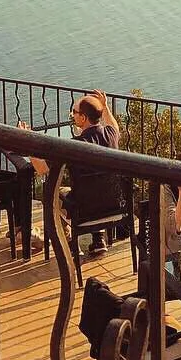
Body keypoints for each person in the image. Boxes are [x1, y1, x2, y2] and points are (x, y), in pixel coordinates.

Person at [26, 89, 121, 255]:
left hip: (83, 210)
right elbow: (114, 126)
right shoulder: (111, 135)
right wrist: (105, 107)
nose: (72, 115)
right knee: (94, 187)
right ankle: (98, 239)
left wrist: (26, 140)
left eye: (75, 113)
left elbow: (42, 169)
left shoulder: (73, 147)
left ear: (83, 118)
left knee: (54, 192)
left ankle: (70, 244)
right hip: (112, 206)